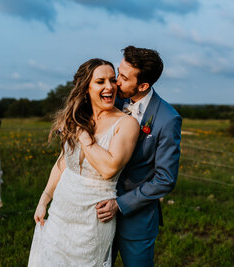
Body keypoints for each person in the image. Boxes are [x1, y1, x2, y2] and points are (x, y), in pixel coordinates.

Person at [27, 58, 139, 266]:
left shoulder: (126, 123)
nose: (109, 86)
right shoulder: (78, 118)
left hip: (93, 217)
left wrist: (82, 133)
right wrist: (44, 200)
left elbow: (108, 168)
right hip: (62, 210)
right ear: (86, 88)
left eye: (113, 80)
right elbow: (63, 163)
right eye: (100, 81)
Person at [95, 46, 182, 266]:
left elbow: (165, 179)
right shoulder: (110, 99)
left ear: (143, 85)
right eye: (118, 72)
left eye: (123, 77)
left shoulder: (167, 119)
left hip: (136, 222)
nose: (115, 82)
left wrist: (120, 204)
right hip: (96, 211)